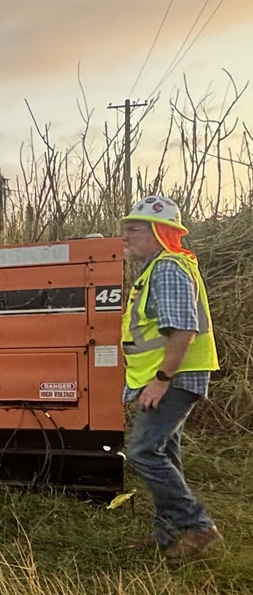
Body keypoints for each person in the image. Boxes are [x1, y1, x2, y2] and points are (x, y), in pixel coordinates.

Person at [120, 195, 221, 564]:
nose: (125, 237)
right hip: (168, 375)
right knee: (165, 453)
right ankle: (170, 536)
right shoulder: (157, 268)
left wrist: (162, 379)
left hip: (174, 377)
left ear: (160, 233)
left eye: (134, 229)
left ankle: (195, 525)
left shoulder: (168, 268)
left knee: (144, 452)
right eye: (125, 229)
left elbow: (183, 329)